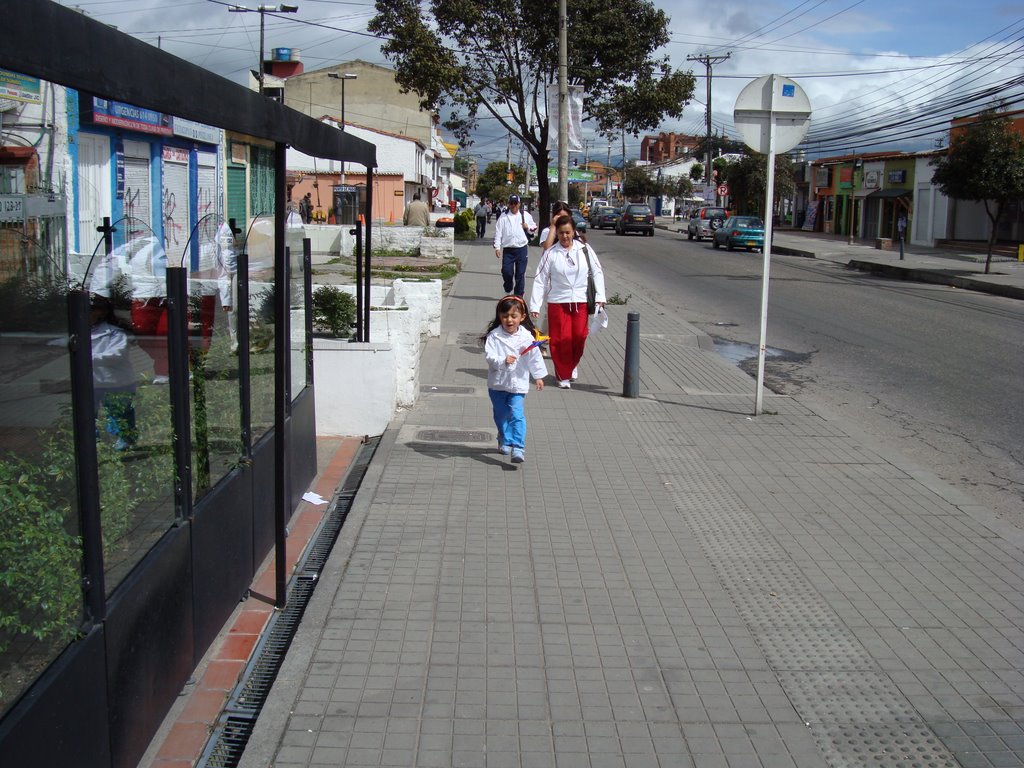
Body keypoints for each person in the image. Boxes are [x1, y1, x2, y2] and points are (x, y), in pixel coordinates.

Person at [529, 214, 606, 389]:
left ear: (573, 232)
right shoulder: (551, 253)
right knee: (560, 339)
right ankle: (563, 375)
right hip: (557, 302)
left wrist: (601, 297)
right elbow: (540, 279)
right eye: (562, 233)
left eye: (568, 233)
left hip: (580, 301)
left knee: (579, 337)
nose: (565, 236)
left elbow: (597, 272)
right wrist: (535, 305)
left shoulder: (584, 249)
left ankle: (570, 366)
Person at [481, 295, 546, 464]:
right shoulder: (494, 336)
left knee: (517, 414)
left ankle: (518, 446)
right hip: (498, 384)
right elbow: (490, 357)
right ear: (499, 317)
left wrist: (538, 376)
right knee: (501, 414)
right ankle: (504, 437)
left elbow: (535, 358)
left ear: (522, 317)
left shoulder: (527, 338)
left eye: (513, 316)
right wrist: (503, 360)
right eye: (504, 316)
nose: (509, 320)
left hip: (518, 384)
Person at [90, 293, 139, 450]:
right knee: (89, 414)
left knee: (119, 412)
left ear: (102, 312)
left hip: (117, 382)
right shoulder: (84, 331)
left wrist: (89, 357)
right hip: (94, 382)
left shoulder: (115, 333)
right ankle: (93, 442)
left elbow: (117, 354)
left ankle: (125, 441)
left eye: (91, 310)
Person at [492, 194, 537, 297]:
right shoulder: (504, 216)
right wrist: (497, 247)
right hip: (508, 249)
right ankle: (508, 289)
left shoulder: (525, 215)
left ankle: (519, 295)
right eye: (511, 203)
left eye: (515, 203)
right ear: (509, 204)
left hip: (521, 249)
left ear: (519, 204)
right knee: (507, 272)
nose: (513, 205)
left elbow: (534, 227)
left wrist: (528, 226)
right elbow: (498, 232)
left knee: (520, 274)